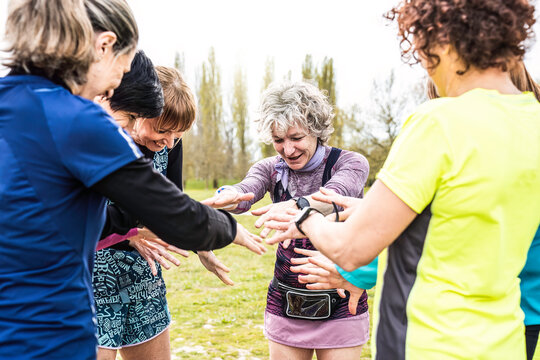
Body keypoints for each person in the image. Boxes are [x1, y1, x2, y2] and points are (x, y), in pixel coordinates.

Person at [261, 1, 540, 359]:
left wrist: (304, 217)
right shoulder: (533, 122)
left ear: (442, 40)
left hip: (427, 342)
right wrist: (375, 209)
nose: (425, 65)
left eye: (421, 48)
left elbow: (351, 249)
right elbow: (468, 213)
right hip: (506, 343)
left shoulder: (439, 123)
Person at [0, 1, 264, 359]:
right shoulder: (79, 120)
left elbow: (85, 219)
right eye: (120, 75)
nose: (112, 92)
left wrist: (137, 225)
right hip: (48, 335)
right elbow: (167, 208)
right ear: (105, 46)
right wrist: (226, 228)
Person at [202, 81, 370, 359]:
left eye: (296, 138)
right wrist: (228, 194)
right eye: (278, 140)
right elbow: (246, 190)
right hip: (285, 301)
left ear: (316, 129)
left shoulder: (350, 163)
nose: (288, 149)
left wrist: (295, 206)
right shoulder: (271, 169)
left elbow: (334, 196)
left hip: (341, 297)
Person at [93, 59, 235, 360]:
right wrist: (130, 233)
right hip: (95, 276)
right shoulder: (103, 139)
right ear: (140, 111)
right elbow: (83, 215)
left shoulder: (169, 145)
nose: (170, 142)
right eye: (163, 130)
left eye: (179, 134)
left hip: (144, 276)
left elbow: (172, 206)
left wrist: (202, 246)